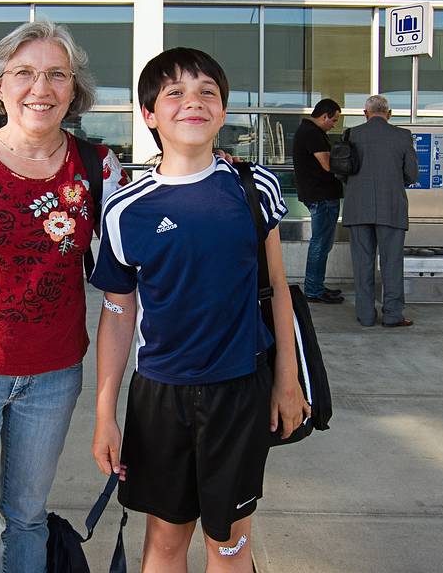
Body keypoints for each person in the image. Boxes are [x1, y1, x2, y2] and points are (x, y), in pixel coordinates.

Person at [0, 20, 127, 572]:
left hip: (53, 375)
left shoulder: (97, 167)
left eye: (57, 74)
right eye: (25, 73)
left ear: (74, 90)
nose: (42, 87)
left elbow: (124, 268)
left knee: (28, 519)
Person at [89, 47, 310, 572]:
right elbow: (118, 314)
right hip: (161, 396)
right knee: (165, 543)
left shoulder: (253, 188)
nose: (194, 102)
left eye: (207, 91)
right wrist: (105, 412)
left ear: (224, 110)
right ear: (149, 115)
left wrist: (286, 381)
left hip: (239, 390)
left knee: (229, 544)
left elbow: (276, 287)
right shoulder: (124, 209)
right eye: (175, 93)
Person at [343, 94, 418, 327]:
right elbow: (412, 174)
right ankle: (393, 315)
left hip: (357, 208)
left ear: (365, 114)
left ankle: (365, 316)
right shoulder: (402, 136)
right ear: (389, 113)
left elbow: (341, 169)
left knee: (362, 262)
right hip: (392, 208)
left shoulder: (351, 135)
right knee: (392, 262)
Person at [292, 98, 344, 304]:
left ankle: (317, 285)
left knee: (322, 244)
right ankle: (314, 290)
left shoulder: (307, 131)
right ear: (324, 116)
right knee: (320, 244)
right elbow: (327, 165)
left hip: (316, 195)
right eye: (334, 120)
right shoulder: (313, 134)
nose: (334, 124)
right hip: (322, 196)